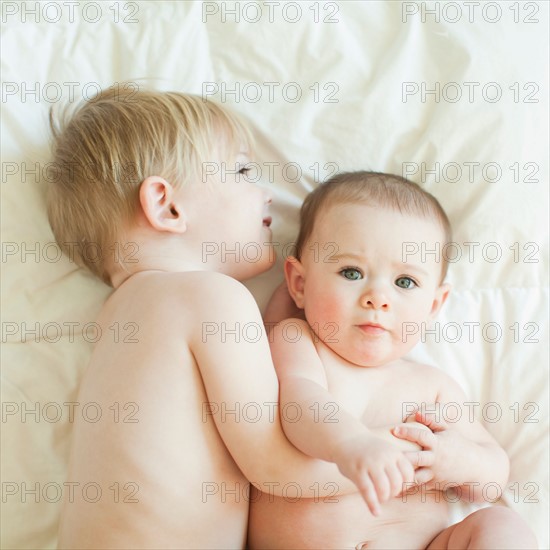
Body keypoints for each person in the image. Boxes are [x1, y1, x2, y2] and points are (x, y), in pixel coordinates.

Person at [48, 87, 372, 549]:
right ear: (167, 206)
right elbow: (275, 466)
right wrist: (396, 463)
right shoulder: (212, 296)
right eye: (241, 171)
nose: (265, 195)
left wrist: (276, 323)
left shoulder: (116, 320)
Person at [249, 171, 538, 549]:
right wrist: (352, 444)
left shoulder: (432, 386)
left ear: (434, 304)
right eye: (351, 272)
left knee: (501, 524)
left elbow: (494, 475)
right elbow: (300, 404)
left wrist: (454, 460)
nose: (377, 298)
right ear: (300, 284)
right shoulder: (298, 340)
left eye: (404, 282)